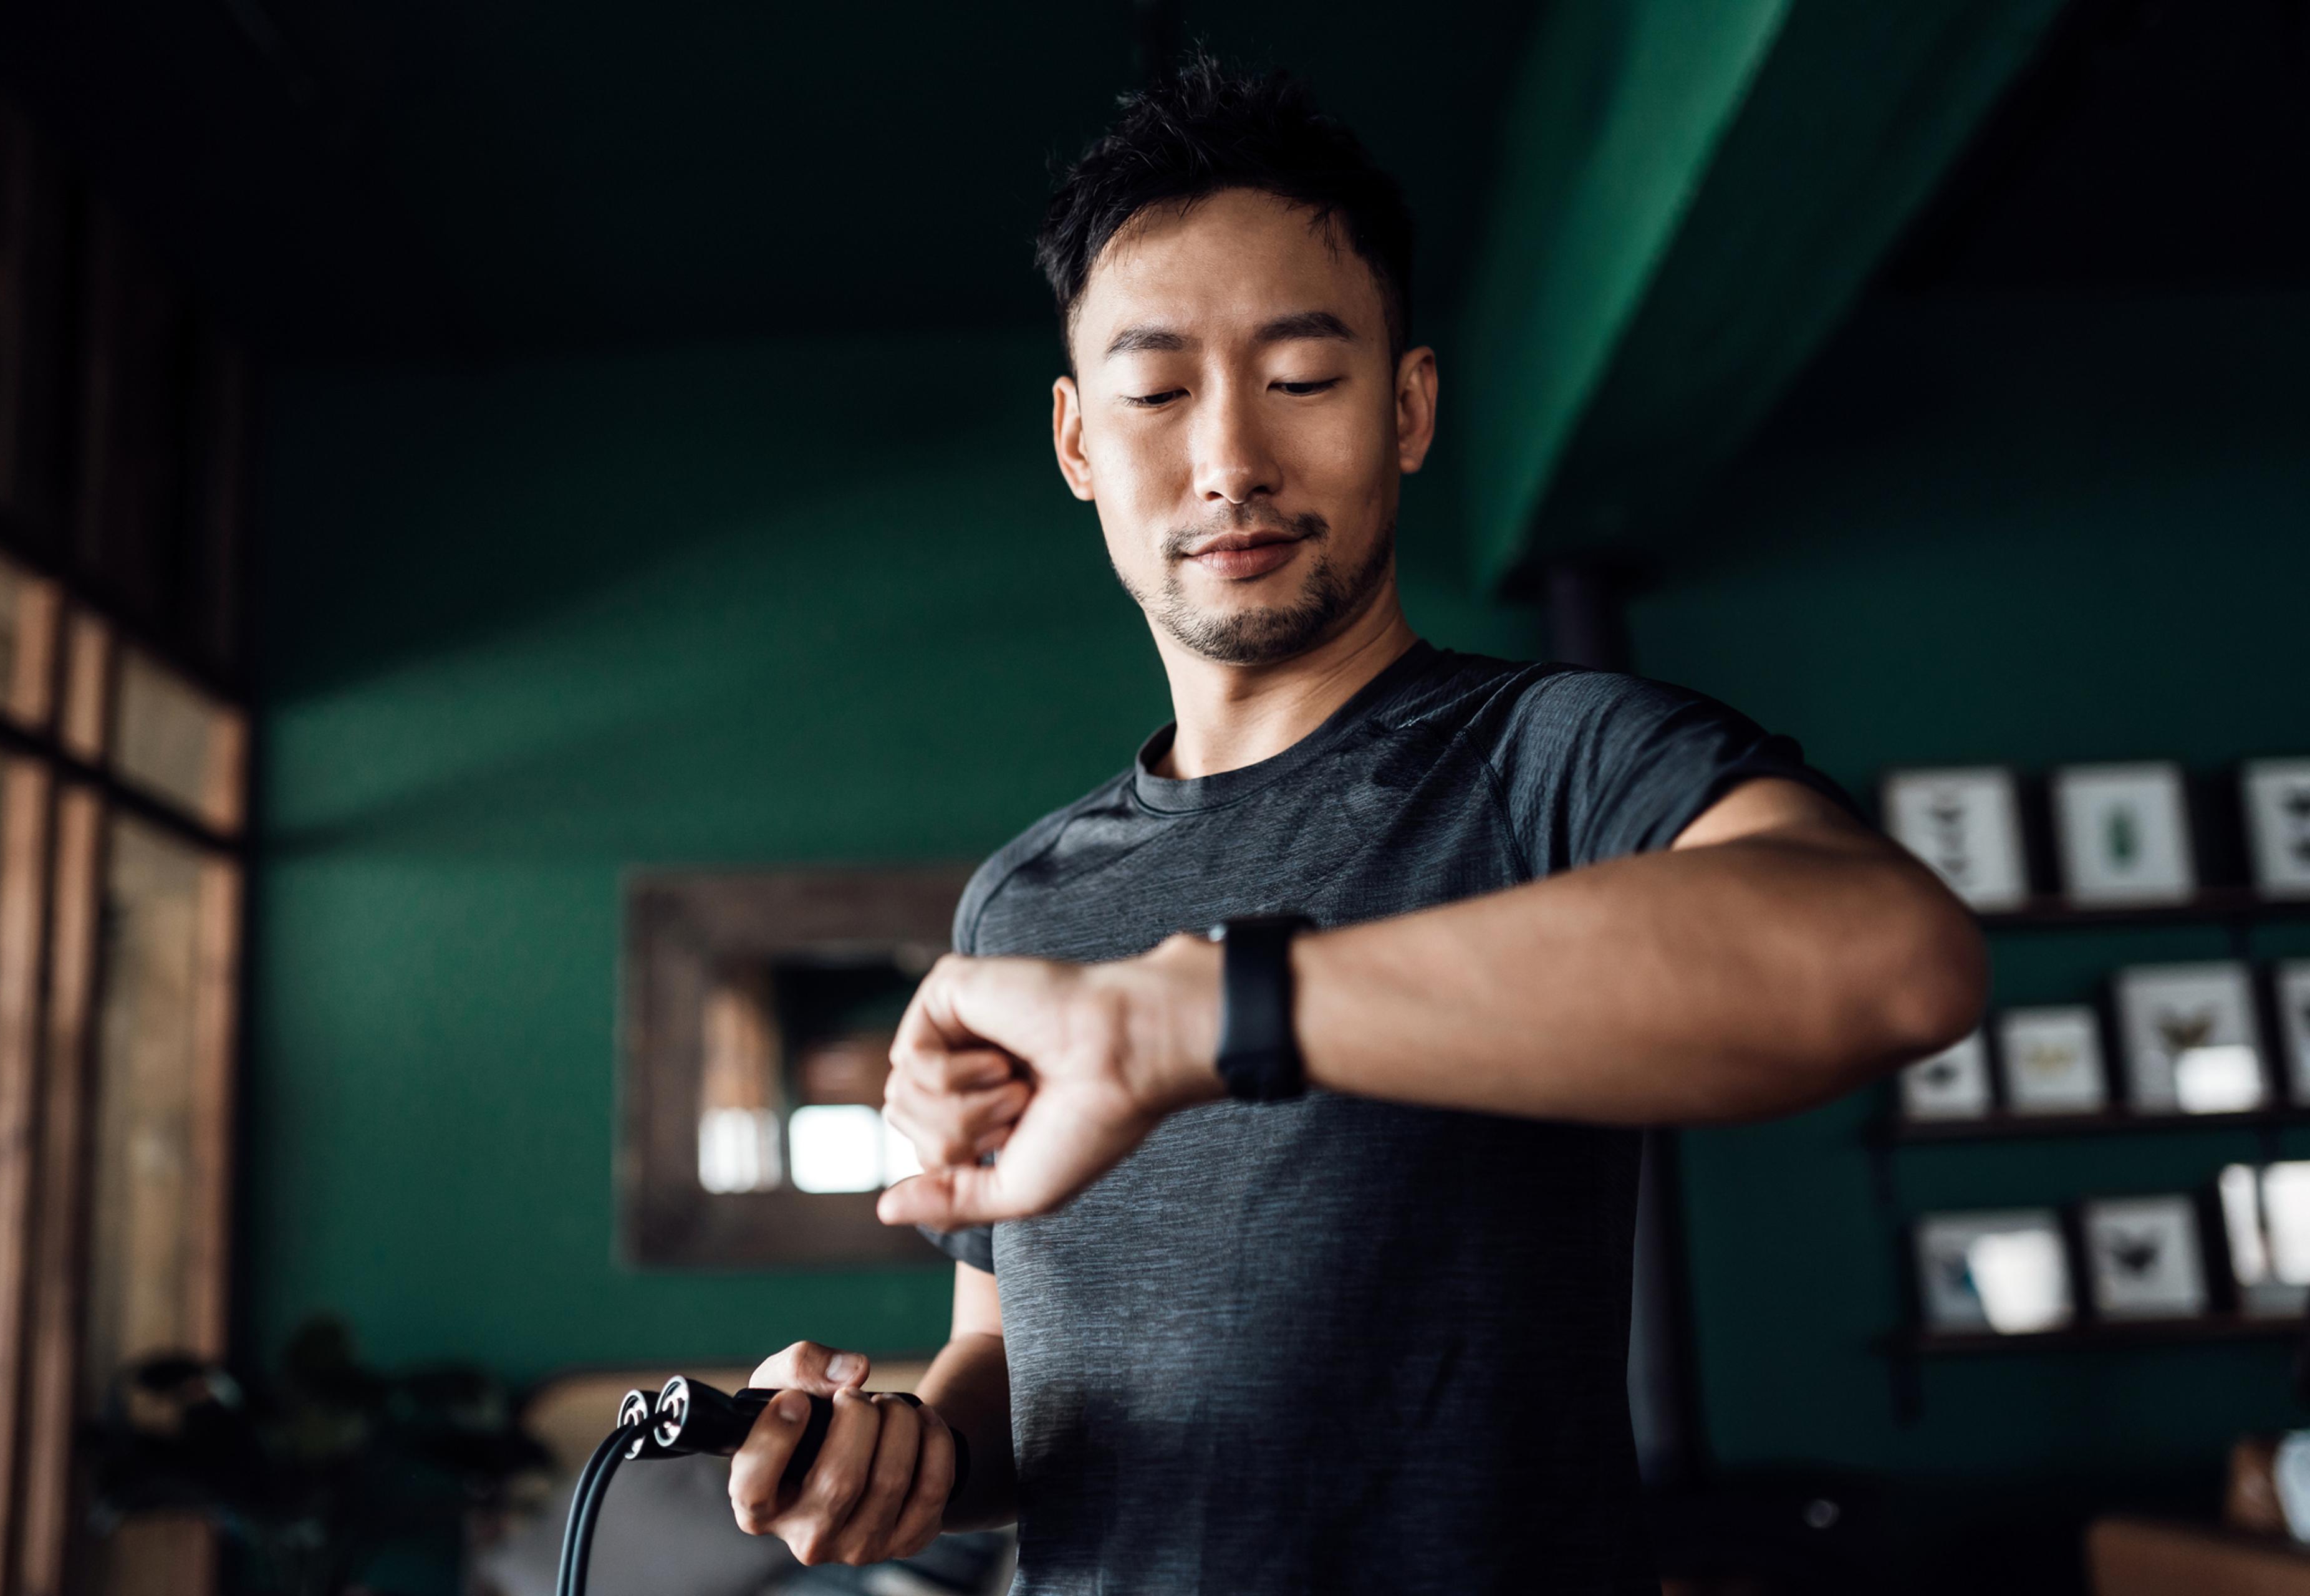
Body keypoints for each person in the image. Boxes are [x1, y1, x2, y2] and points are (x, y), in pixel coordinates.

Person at [724, 57, 1985, 1594]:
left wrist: (1203, 1012)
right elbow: (1013, 1362)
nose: (1232, 460)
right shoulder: (1021, 903)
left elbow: (1889, 957)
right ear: (1075, 442)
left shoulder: (1552, 757)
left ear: (1408, 406)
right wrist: (913, 1453)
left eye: (1304, 378)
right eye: (1155, 391)